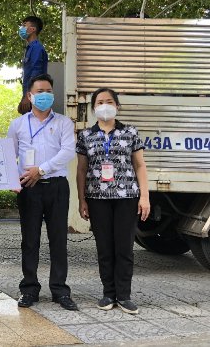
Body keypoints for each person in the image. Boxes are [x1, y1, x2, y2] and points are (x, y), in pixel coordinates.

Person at [7, 73, 78, 311]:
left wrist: (42, 169)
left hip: (57, 186)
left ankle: (60, 290)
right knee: (30, 240)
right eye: (40, 91)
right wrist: (11, 180)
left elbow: (68, 152)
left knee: (58, 240)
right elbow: (9, 155)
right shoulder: (17, 124)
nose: (44, 95)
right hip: (29, 188)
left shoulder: (63, 123)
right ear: (30, 95)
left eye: (48, 91)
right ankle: (29, 289)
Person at [76, 88, 150, 315]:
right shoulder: (86, 136)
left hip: (127, 197)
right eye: (100, 102)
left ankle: (124, 295)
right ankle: (108, 293)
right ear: (94, 108)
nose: (105, 105)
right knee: (105, 248)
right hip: (97, 198)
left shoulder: (130, 132)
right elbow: (81, 170)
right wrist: (82, 200)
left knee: (124, 247)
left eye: (109, 101)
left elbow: (139, 165)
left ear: (117, 106)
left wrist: (145, 196)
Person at [18, 16, 48, 115]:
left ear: (32, 29)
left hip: (35, 97)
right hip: (31, 95)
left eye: (24, 25)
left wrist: (28, 96)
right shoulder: (30, 48)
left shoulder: (36, 48)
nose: (21, 28)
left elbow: (35, 74)